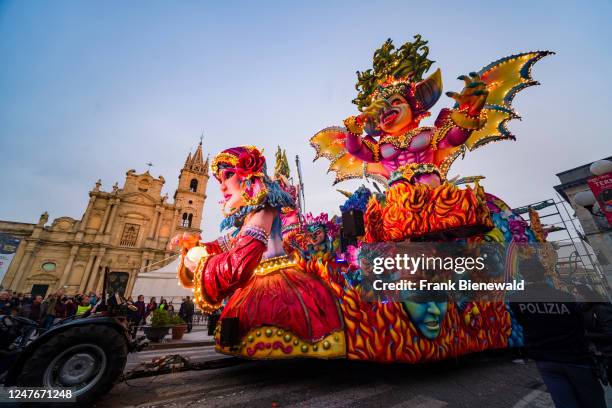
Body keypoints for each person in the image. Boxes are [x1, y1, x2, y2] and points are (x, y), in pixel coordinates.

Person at [174, 146, 343, 358]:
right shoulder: (249, 216)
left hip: (281, 286)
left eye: (228, 176)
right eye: (219, 180)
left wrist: (201, 264)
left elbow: (240, 266)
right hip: (260, 281)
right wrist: (195, 246)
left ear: (247, 177)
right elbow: (226, 244)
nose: (223, 187)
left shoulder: (265, 209)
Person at [509, 257, 606, 408]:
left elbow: (522, 323)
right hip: (574, 357)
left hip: (544, 358)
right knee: (593, 401)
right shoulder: (564, 297)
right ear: (543, 272)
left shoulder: (516, 299)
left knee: (564, 403)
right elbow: (580, 325)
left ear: (523, 275)